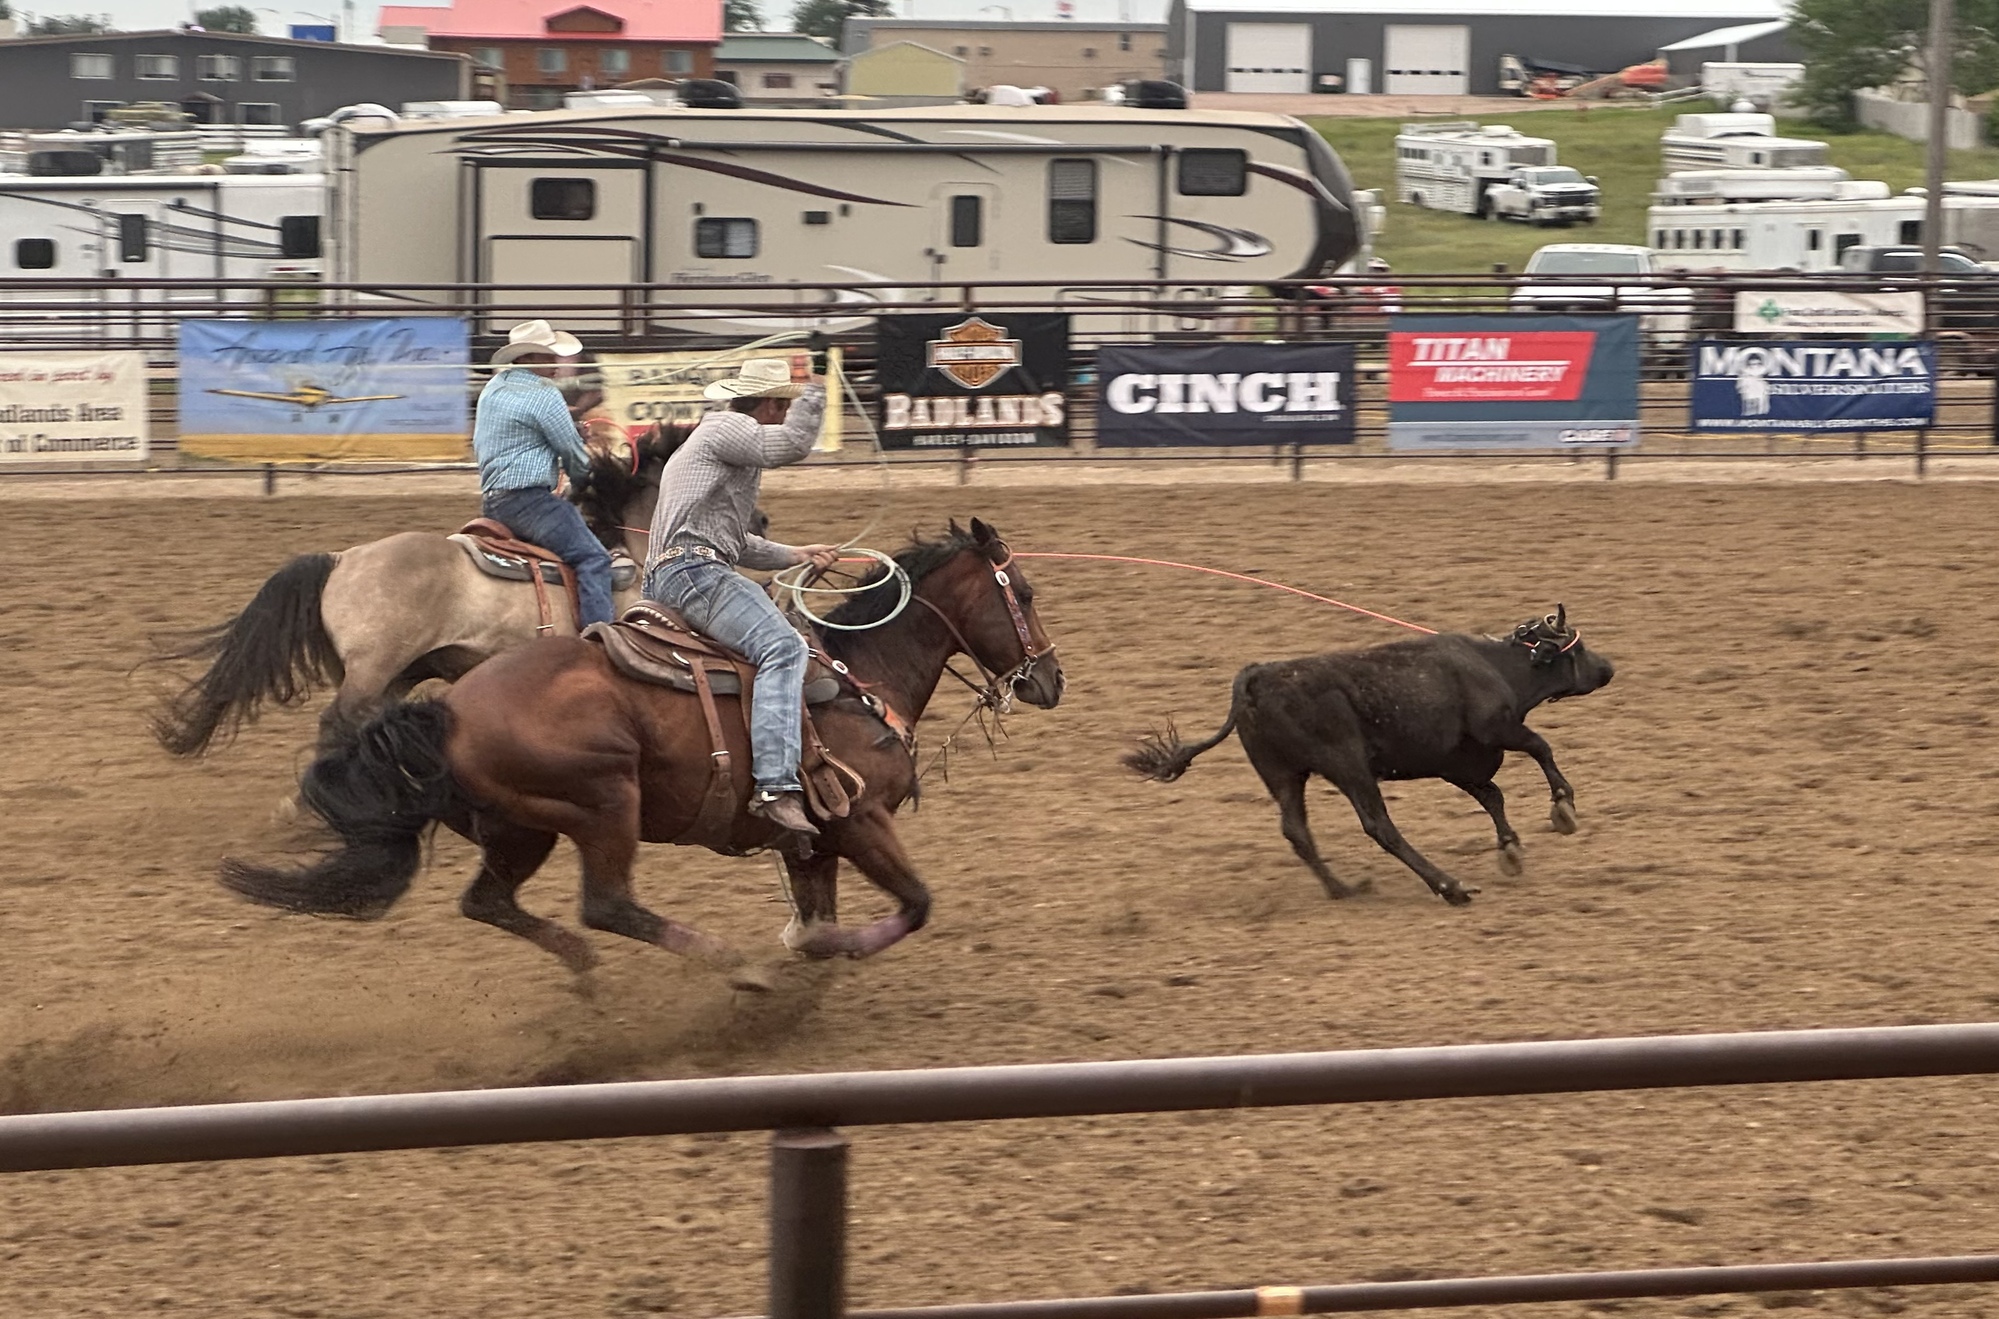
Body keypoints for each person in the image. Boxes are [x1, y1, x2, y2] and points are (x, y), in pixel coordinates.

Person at [643, 356, 840, 837]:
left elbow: (734, 540)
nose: (783, 416)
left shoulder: (716, 445)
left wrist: (794, 553)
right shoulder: (726, 429)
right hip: (695, 572)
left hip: (680, 571)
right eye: (783, 405)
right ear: (772, 405)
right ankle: (774, 785)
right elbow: (793, 443)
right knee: (784, 646)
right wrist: (814, 387)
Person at [474, 319, 616, 629]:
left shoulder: (493, 388)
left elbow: (520, 432)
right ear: (527, 358)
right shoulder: (544, 394)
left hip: (493, 502)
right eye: (548, 356)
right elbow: (573, 455)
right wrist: (583, 482)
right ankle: (600, 639)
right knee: (594, 558)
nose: (556, 363)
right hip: (530, 503)